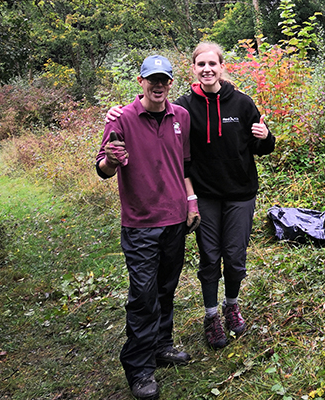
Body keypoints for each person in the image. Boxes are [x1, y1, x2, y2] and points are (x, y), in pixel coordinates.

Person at [106, 42, 275, 350]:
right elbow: (168, 140)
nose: (208, 69)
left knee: (235, 259)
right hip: (205, 196)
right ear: (193, 70)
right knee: (210, 258)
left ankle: (231, 306)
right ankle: (211, 316)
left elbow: (262, 145)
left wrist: (267, 138)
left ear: (222, 67)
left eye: (213, 63)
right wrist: (118, 112)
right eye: (201, 64)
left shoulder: (242, 103)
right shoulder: (183, 109)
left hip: (240, 194)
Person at [97, 54, 199, 400]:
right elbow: (103, 168)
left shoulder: (180, 116)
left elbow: (184, 164)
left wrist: (191, 202)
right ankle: (139, 368)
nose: (158, 85)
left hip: (175, 219)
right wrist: (111, 159)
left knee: (166, 288)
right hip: (140, 222)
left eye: (164, 80)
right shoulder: (122, 118)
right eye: (151, 79)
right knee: (143, 296)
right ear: (140, 81)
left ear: (171, 83)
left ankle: (162, 346)